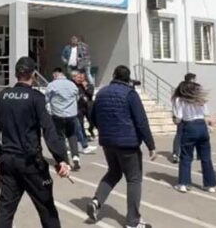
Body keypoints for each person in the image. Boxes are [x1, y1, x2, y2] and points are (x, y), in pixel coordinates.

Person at [0, 56, 71, 227]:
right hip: (31, 163)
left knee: (5, 209)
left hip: (8, 161)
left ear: (16, 74)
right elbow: (49, 130)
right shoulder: (36, 98)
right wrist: (61, 158)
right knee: (47, 209)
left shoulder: (3, 96)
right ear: (33, 74)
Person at [87, 65, 156, 228]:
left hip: (108, 142)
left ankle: (96, 201)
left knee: (114, 172)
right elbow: (141, 121)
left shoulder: (101, 93)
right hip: (127, 144)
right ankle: (133, 221)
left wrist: (103, 130)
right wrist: (151, 145)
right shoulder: (130, 94)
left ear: (113, 75)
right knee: (134, 179)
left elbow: (93, 116)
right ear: (128, 78)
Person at [172, 81, 216, 193]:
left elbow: (179, 118)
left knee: (186, 156)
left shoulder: (179, 100)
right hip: (202, 126)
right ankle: (210, 185)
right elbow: (206, 114)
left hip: (189, 126)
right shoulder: (200, 99)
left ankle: (184, 183)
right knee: (206, 157)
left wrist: (175, 120)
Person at [45, 68, 82, 170]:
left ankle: (65, 161)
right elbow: (77, 97)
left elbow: (46, 100)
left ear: (55, 75)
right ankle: (75, 157)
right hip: (71, 115)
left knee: (60, 137)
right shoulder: (72, 84)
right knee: (72, 135)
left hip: (58, 114)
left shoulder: (52, 85)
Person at [171, 73, 196, 163]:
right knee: (183, 135)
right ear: (191, 80)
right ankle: (178, 153)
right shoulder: (186, 90)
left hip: (180, 116)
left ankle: (177, 153)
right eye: (194, 79)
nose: (195, 81)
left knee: (180, 135)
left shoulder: (180, 90)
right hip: (184, 117)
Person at [74, 70, 97, 153]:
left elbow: (90, 93)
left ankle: (91, 130)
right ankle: (84, 139)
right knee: (80, 124)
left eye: (82, 77)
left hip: (89, 106)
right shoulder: (76, 86)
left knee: (92, 121)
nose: (81, 79)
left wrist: (85, 87)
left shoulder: (89, 85)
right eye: (79, 77)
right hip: (79, 107)